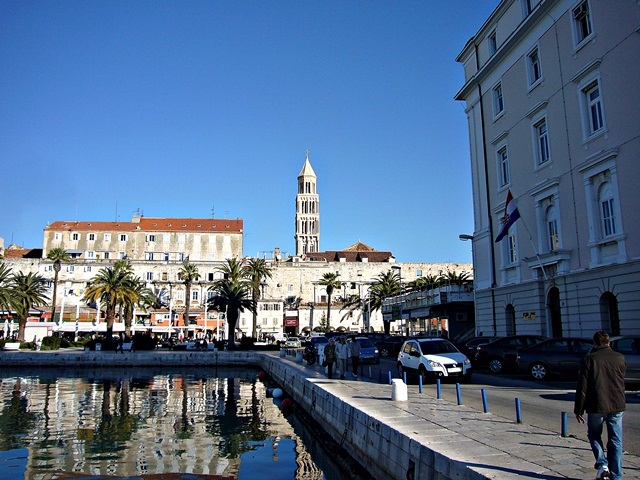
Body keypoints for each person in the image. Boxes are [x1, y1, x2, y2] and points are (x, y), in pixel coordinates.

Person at [574, 331, 626, 480]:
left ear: (595, 343)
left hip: (596, 404)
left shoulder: (588, 359)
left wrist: (579, 409)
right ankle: (616, 476)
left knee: (594, 434)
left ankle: (602, 463)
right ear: (609, 342)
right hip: (617, 403)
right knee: (616, 440)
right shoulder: (619, 358)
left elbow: (582, 386)